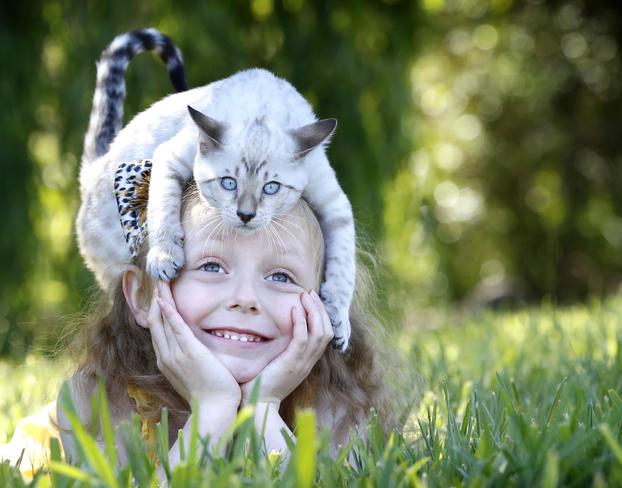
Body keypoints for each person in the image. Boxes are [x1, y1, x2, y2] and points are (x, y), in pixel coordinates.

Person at [54, 166, 401, 474]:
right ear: (143, 296)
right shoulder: (98, 399)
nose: (246, 299)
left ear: (325, 303)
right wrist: (212, 408)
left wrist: (263, 407)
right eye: (211, 267)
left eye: (281, 277)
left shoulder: (337, 402)